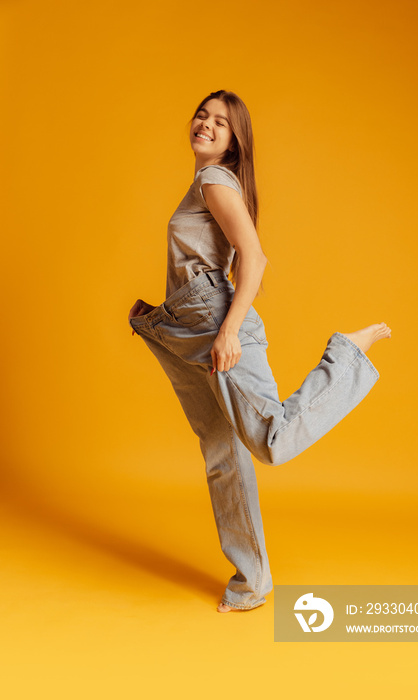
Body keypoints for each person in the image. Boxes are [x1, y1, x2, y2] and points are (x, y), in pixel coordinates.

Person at [128, 89, 391, 613]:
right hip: (192, 325)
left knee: (271, 440)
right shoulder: (208, 182)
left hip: (217, 325)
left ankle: (349, 355)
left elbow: (254, 257)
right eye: (202, 115)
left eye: (220, 123)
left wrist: (227, 331)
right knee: (223, 452)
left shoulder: (214, 179)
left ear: (233, 142)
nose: (205, 124)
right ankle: (251, 583)